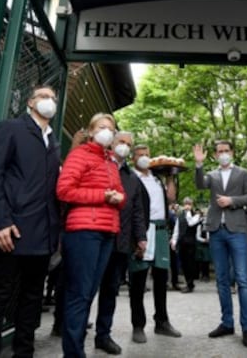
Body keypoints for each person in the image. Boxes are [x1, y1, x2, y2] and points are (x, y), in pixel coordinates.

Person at [0, 84, 61, 358]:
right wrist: (0, 222)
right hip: (11, 229)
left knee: (32, 297)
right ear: (30, 102)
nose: (48, 102)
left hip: (42, 233)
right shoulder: (10, 128)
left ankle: (24, 352)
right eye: (43, 97)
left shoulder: (54, 141)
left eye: (52, 98)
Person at [56, 113, 125, 358]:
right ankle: (73, 353)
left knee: (89, 293)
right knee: (79, 294)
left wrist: (118, 199)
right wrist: (102, 197)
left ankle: (76, 349)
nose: (108, 131)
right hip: (84, 231)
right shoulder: (79, 155)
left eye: (112, 128)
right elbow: (64, 191)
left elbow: (119, 193)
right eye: (102, 127)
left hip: (107, 232)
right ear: (91, 131)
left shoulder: (111, 162)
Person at [193, 140, 247, 348]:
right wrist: (199, 165)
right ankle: (226, 323)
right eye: (219, 152)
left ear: (232, 152)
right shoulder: (212, 174)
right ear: (215, 155)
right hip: (216, 230)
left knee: (242, 279)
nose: (223, 154)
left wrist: (232, 201)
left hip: (237, 229)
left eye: (226, 151)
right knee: (221, 279)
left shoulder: (243, 173)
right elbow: (200, 185)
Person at [94, 131, 147, 355]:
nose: (124, 146)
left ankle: (103, 335)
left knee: (110, 290)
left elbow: (136, 211)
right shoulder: (99, 165)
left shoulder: (132, 178)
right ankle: (73, 336)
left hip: (120, 242)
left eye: (128, 144)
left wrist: (141, 237)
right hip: (95, 237)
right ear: (111, 143)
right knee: (85, 290)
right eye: (121, 142)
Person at [128, 145, 182, 344]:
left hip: (160, 231)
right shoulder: (131, 177)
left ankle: (162, 321)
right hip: (141, 230)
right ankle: (138, 325)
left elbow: (171, 198)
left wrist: (169, 176)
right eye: (140, 155)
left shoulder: (157, 179)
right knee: (139, 280)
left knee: (161, 278)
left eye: (147, 155)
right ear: (133, 158)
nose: (144, 158)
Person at [171, 197, 201, 293]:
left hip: (191, 243)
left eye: (189, 203)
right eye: (185, 203)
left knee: (190, 264)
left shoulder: (196, 215)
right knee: (183, 264)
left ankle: (190, 284)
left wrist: (188, 212)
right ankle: (188, 283)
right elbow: (177, 229)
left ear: (192, 205)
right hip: (182, 242)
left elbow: (191, 223)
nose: (187, 205)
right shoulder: (180, 216)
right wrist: (174, 241)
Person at [194, 208, 211, 282]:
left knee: (206, 261)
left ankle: (206, 275)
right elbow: (197, 236)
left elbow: (210, 233)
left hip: (208, 245)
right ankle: (203, 275)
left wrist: (209, 239)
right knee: (201, 261)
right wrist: (204, 240)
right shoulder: (199, 226)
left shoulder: (210, 225)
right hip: (201, 244)